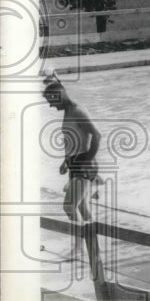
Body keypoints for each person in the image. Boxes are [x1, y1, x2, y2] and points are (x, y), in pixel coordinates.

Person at [43, 80, 102, 256]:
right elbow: (73, 139)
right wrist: (65, 160)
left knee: (69, 207)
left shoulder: (78, 111)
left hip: (83, 165)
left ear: (59, 96)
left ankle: (78, 248)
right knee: (82, 207)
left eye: (52, 102)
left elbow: (97, 135)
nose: (51, 106)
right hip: (74, 164)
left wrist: (88, 160)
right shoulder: (68, 111)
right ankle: (93, 247)